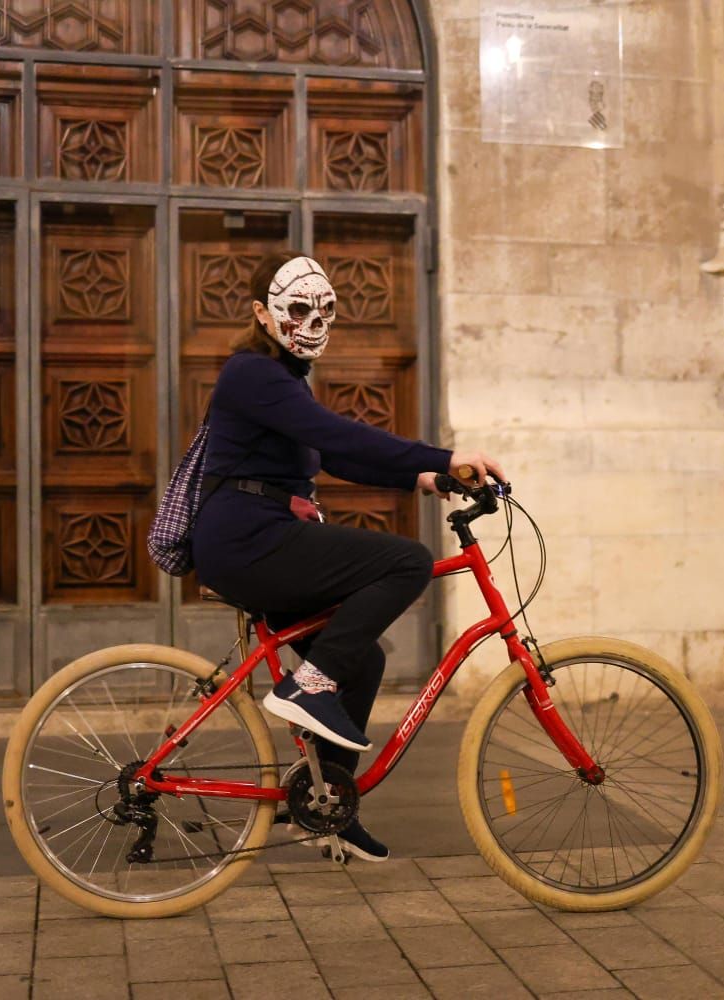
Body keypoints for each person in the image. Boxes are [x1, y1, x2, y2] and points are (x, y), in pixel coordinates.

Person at [191, 250, 506, 862]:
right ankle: (309, 687)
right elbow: (338, 435)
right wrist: (443, 454)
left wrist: (432, 479)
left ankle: (327, 802)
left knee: (360, 661)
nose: (313, 320)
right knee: (405, 561)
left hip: (259, 540)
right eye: (298, 307)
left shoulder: (282, 380)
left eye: (325, 308)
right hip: (249, 541)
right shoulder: (251, 374)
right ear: (262, 313)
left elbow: (333, 458)